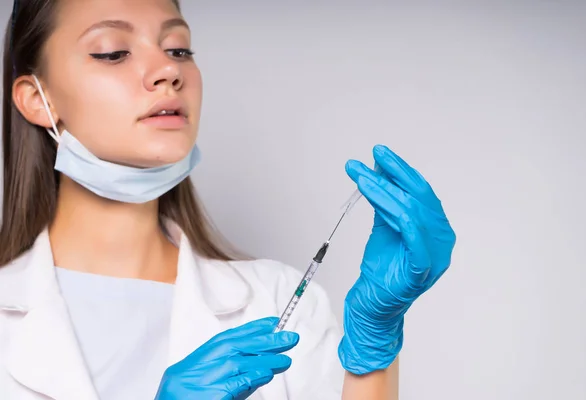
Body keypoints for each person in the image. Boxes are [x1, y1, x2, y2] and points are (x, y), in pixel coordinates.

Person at [0, 0, 456, 399]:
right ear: (36, 99)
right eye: (113, 52)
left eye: (178, 49)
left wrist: (373, 352)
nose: (168, 70)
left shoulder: (278, 301)